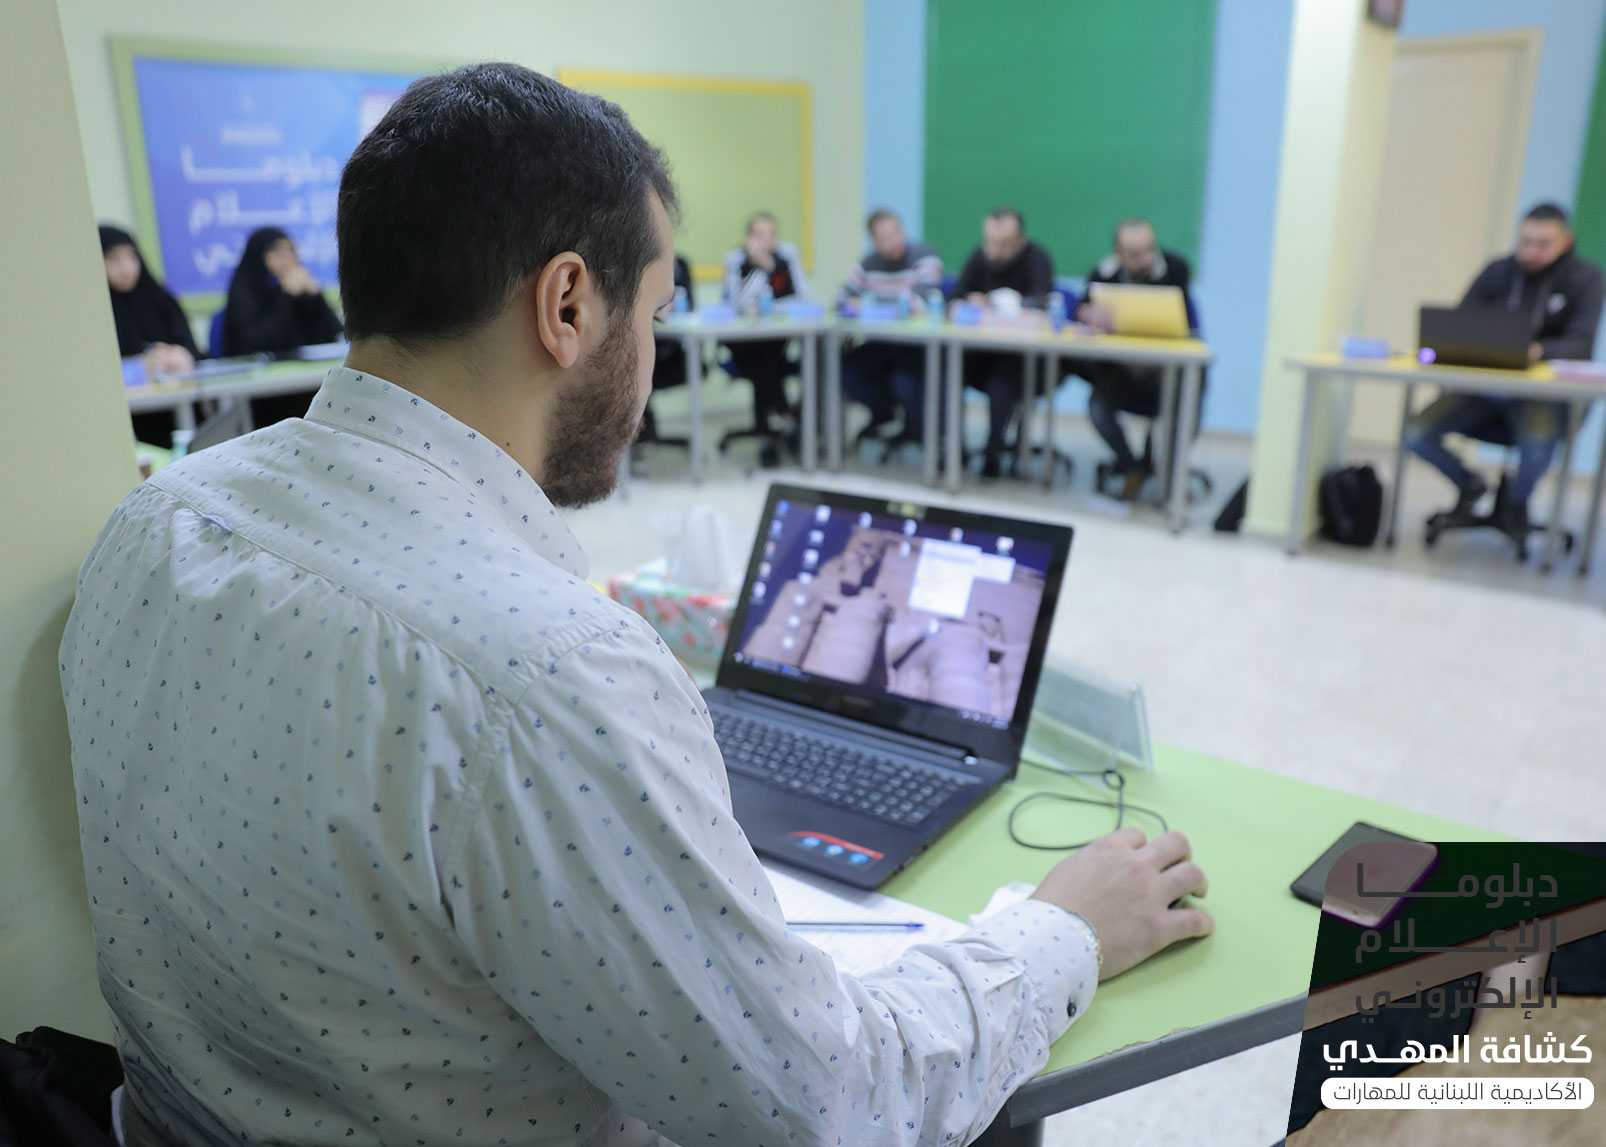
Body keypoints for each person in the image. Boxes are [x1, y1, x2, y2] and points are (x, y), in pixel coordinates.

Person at [61, 63, 1211, 1147]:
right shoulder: (549, 675)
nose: (653, 365)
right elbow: (832, 1104)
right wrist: (1062, 929)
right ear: (567, 303)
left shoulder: (154, 523)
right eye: (655, 315)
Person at [1404, 202, 1605, 536]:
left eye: (1543, 244)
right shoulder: (1499, 272)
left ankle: (1515, 503)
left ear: (1565, 242)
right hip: (1484, 391)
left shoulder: (1585, 279)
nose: (1532, 252)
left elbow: (1581, 344)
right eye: (1526, 242)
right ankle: (1470, 485)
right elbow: (1459, 323)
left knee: (1537, 442)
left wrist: (1537, 351)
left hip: (1543, 396)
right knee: (1416, 433)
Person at [1075, 218, 1203, 500]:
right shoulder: (1104, 272)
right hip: (1122, 372)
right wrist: (1088, 314)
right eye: (1134, 254)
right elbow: (1082, 309)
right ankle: (1131, 466)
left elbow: (1181, 315)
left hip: (1166, 374)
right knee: (1098, 407)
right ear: (1119, 253)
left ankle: (1170, 474)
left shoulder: (1175, 268)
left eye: (1149, 250)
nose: (1145, 259)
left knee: (1190, 396)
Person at [953, 207, 1055, 477]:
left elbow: (1042, 300)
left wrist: (997, 302)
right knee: (947, 369)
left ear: (1020, 240)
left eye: (1004, 243)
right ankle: (952, 449)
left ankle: (993, 453)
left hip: (1022, 357)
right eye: (991, 242)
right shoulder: (980, 256)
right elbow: (958, 294)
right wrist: (967, 300)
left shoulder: (1037, 258)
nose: (995, 250)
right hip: (980, 351)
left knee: (1001, 383)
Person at [839, 208, 944, 445]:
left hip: (917, 345)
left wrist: (872, 304)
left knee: (904, 380)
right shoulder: (868, 263)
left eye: (896, 232)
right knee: (846, 371)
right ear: (875, 242)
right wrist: (856, 303)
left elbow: (922, 301)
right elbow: (842, 299)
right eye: (885, 238)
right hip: (882, 342)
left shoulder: (925, 257)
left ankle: (919, 431)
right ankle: (883, 414)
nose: (894, 241)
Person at [222, 226, 344, 427]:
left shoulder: (300, 288)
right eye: (278, 253)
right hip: (262, 397)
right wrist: (285, 295)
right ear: (259, 256)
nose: (287, 259)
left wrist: (316, 296)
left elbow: (335, 334)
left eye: (290, 251)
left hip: (306, 387)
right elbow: (260, 342)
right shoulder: (245, 292)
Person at [721, 211, 809, 464]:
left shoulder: (786, 257)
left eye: (771, 234)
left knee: (768, 359)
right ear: (748, 237)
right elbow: (734, 303)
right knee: (766, 362)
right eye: (759, 234)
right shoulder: (736, 259)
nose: (766, 240)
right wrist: (757, 267)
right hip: (742, 342)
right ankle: (782, 416)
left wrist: (772, 268)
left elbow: (801, 298)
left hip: (775, 340)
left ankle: (772, 426)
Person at [100, 224, 200, 446]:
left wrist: (179, 355)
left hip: (179, 406)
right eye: (114, 259)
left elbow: (191, 348)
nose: (126, 267)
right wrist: (141, 367)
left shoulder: (158, 297)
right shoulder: (96, 308)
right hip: (132, 418)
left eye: (131, 257)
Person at [637, 252, 693, 447]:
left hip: (672, 351)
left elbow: (691, 305)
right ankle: (643, 430)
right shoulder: (639, 262)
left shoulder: (680, 264)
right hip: (643, 349)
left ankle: (646, 430)